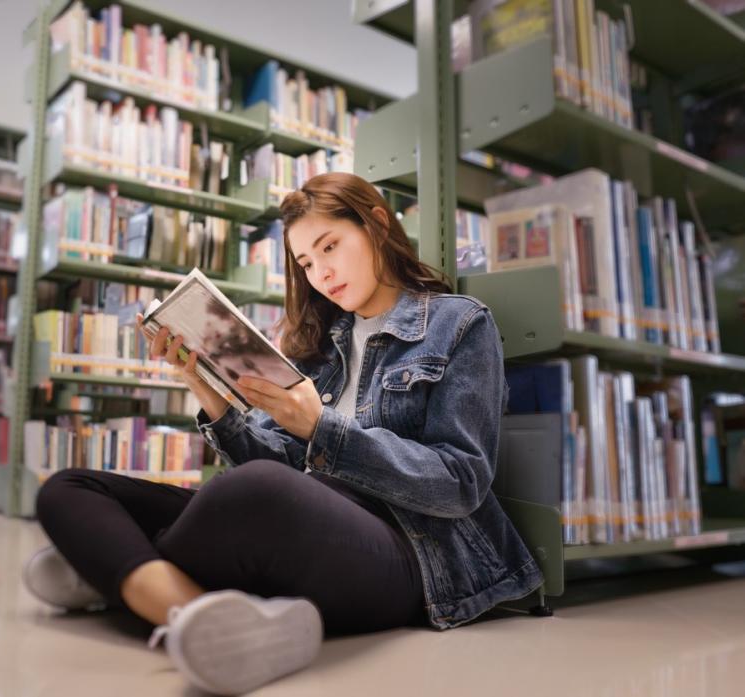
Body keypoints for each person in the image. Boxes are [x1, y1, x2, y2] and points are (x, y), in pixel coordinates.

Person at [26, 172, 544, 695]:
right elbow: (265, 460)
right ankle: (183, 606)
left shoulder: (458, 325)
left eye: (330, 247)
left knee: (250, 493)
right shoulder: (318, 344)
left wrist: (322, 426)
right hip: (302, 527)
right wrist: (208, 392)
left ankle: (119, 570)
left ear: (377, 225)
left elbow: (460, 482)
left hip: (410, 551)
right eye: (305, 263)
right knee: (69, 487)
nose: (321, 274)